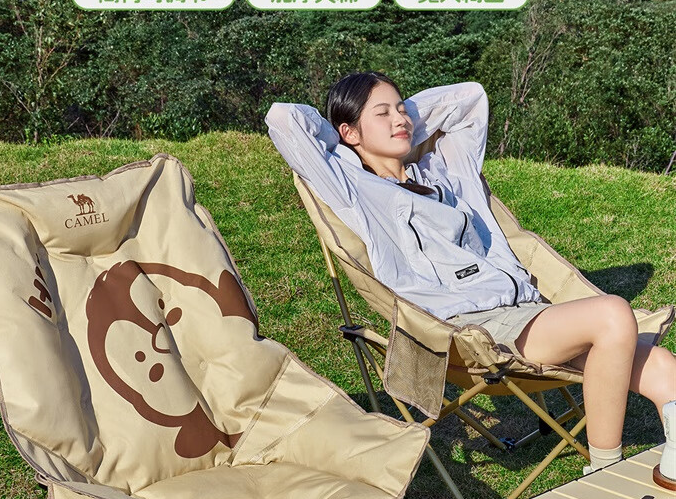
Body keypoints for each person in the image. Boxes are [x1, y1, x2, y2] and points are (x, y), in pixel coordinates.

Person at [266, 72, 676, 474]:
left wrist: (397, 120)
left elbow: (470, 100)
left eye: (403, 108)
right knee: (613, 314)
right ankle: (604, 469)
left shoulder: (444, 172)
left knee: (663, 365)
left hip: (525, 310)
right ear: (349, 131)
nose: (401, 118)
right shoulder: (354, 189)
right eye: (383, 113)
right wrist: (346, 140)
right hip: (472, 331)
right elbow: (284, 119)